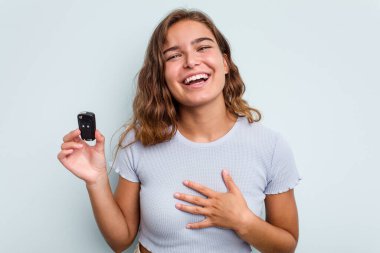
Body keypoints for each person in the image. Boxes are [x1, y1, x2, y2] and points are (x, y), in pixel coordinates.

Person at [57, 9, 301, 253]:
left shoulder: (270, 147)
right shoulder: (139, 141)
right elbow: (120, 241)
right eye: (173, 55)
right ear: (162, 75)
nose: (191, 62)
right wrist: (97, 181)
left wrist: (243, 221)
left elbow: (286, 246)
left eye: (203, 47)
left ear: (225, 62)